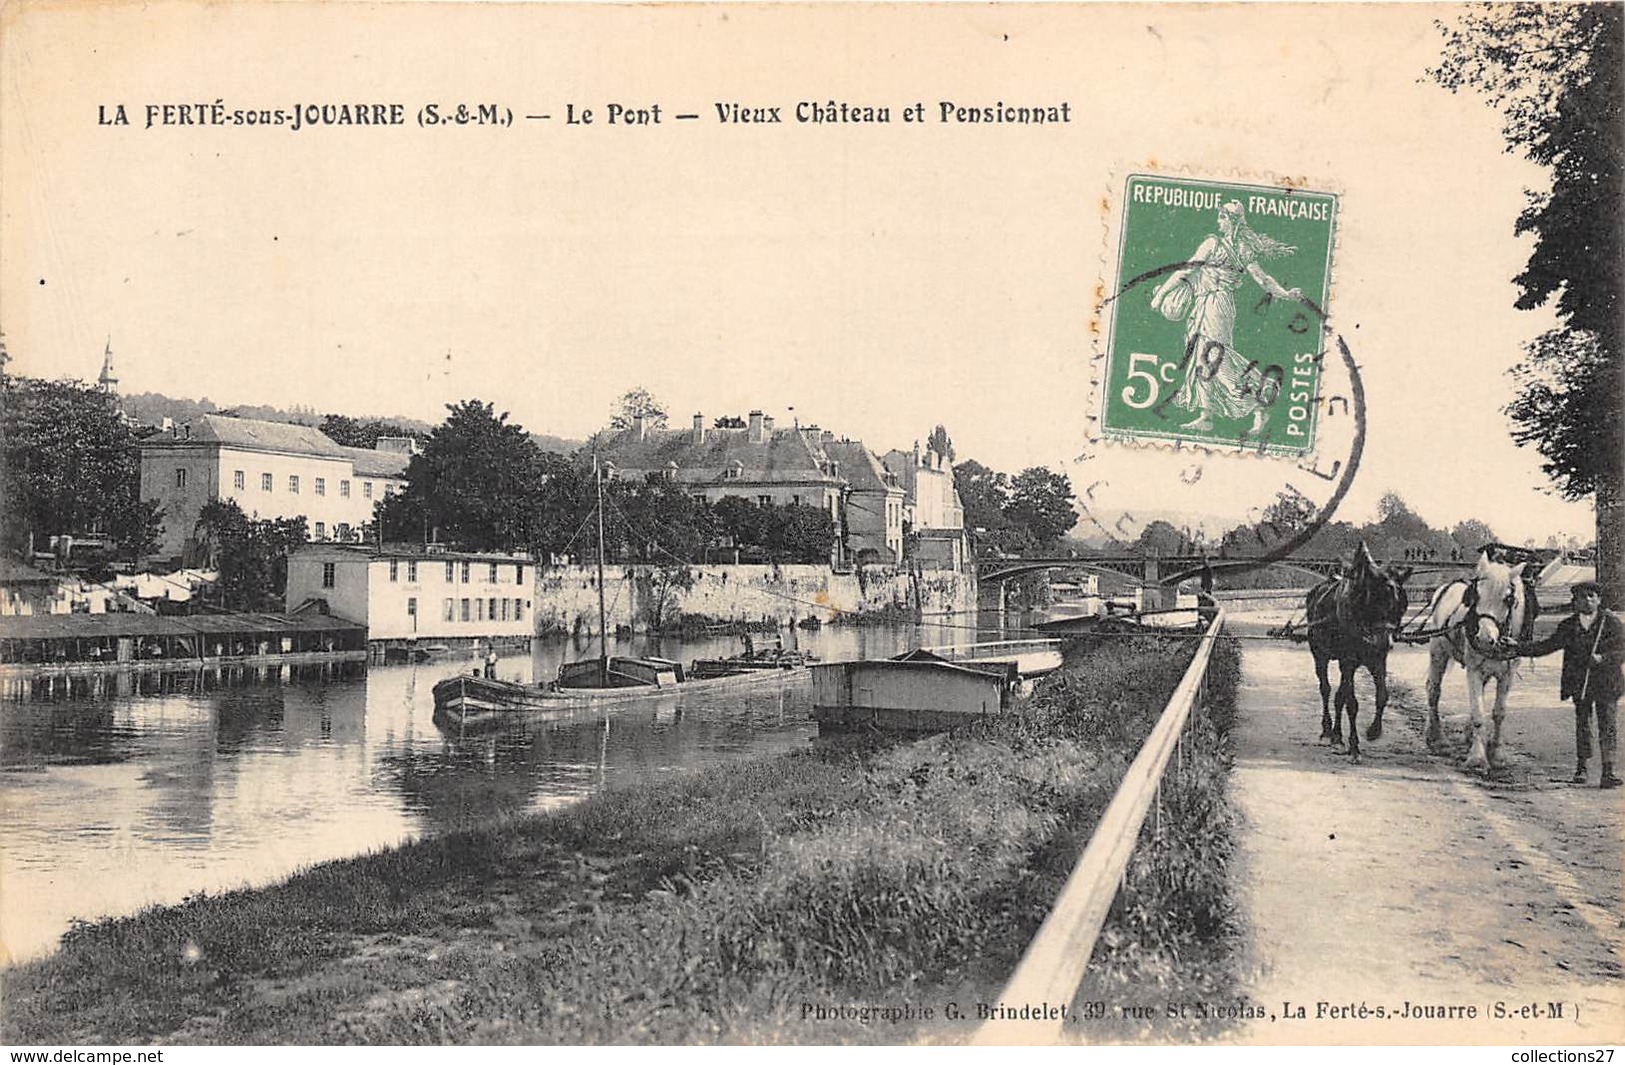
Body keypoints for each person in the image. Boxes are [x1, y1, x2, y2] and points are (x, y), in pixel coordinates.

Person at [1150, 200, 1302, 435]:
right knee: (1203, 358)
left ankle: (1261, 395)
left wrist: (1160, 295)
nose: (1218, 221)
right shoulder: (1241, 249)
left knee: (1215, 356)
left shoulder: (1215, 244)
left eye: (1222, 217)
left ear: (1231, 221)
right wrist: (1286, 294)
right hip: (1210, 304)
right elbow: (1263, 280)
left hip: (1215, 305)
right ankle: (1206, 415)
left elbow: (1186, 270)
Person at [1513, 582, 1623, 788]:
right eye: (1582, 597)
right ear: (1576, 601)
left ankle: (1608, 771)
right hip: (1579, 683)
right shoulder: (1568, 625)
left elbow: (1622, 650)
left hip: (1607, 683)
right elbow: (1546, 646)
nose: (1588, 600)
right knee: (1583, 725)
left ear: (1599, 600)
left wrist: (1604, 658)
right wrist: (1518, 648)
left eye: (1592, 596)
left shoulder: (1612, 624)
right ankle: (1582, 767)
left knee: (1607, 725)